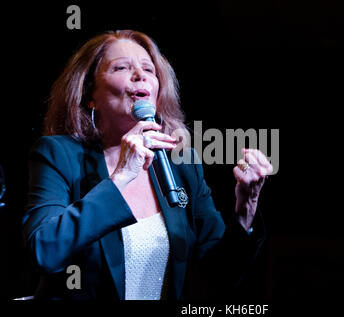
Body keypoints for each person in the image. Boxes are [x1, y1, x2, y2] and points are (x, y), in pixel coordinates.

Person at [23, 30, 273, 300]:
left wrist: (246, 206)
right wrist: (120, 178)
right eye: (121, 67)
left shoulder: (181, 165)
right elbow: (43, 251)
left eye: (148, 69)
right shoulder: (59, 155)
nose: (140, 75)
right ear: (90, 95)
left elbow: (220, 275)